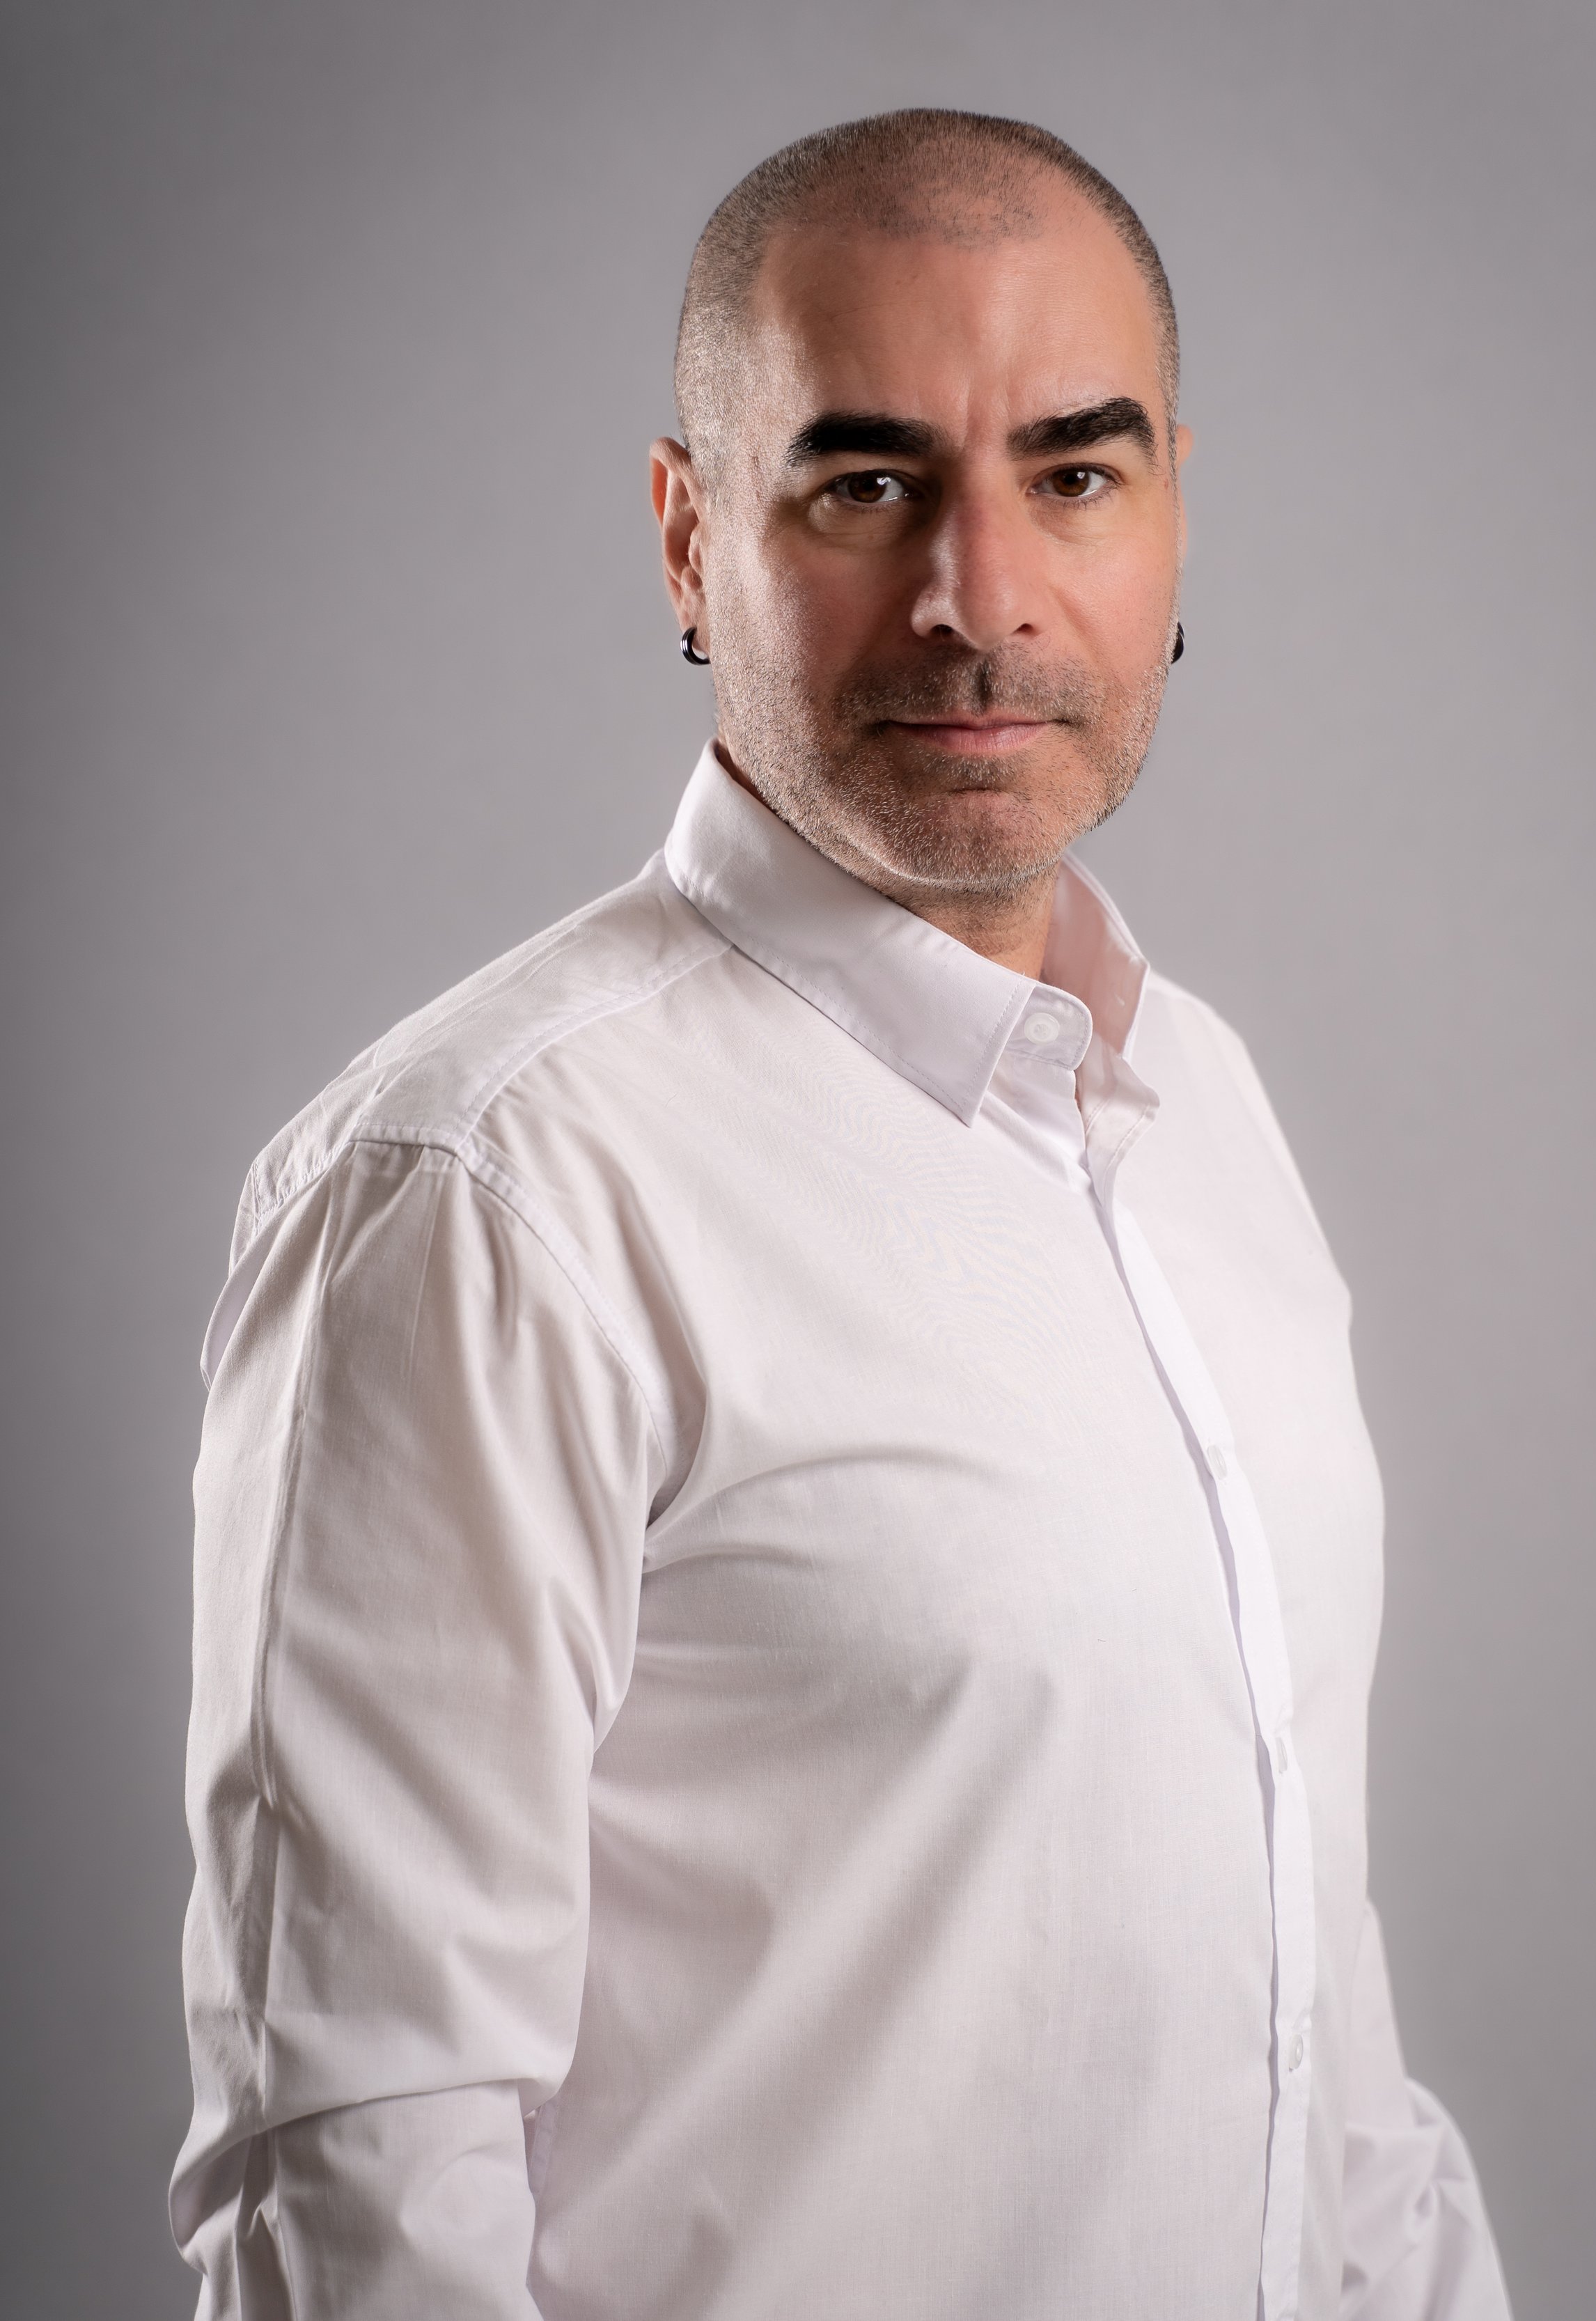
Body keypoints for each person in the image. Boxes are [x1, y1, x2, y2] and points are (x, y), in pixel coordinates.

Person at [172, 108, 1512, 2321]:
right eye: (865, 482)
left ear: (1175, 506)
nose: (977, 597)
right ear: (689, 535)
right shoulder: (488, 1193)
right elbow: (359, 2170)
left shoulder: (1203, 1119)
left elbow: (1318, 2049)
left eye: (1071, 477)